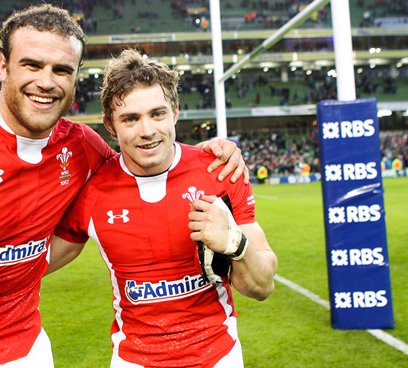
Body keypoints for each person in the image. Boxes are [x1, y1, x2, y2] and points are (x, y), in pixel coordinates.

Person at [0, 4, 247, 368]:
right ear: (3, 67)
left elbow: (144, 159)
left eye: (61, 70)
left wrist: (212, 152)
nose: (46, 82)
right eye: (31, 65)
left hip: (29, 349)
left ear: (74, 78)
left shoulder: (83, 147)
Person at [49, 49, 278, 367]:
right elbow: (29, 265)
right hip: (134, 360)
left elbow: (263, 286)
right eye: (131, 118)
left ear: (175, 111)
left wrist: (235, 244)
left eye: (157, 114)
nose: (146, 131)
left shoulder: (220, 171)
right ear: (110, 126)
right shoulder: (92, 192)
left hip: (218, 357)